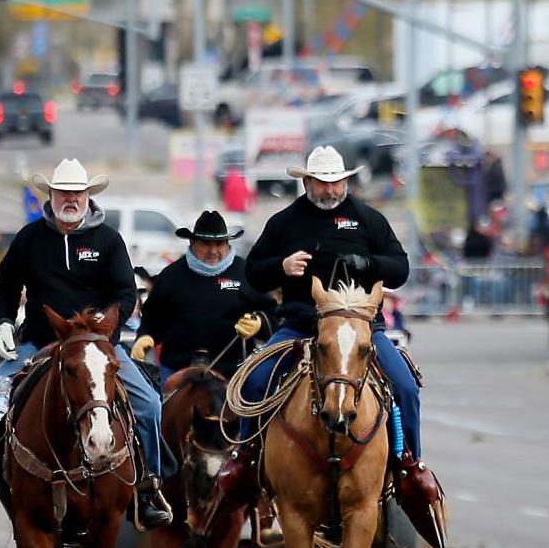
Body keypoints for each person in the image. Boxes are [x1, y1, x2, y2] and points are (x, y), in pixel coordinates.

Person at [0, 159, 171, 528]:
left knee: (149, 404)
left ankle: (147, 489)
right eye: (63, 192)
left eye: (77, 193)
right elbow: (5, 287)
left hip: (96, 344)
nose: (71, 198)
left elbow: (124, 293)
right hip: (39, 341)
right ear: (51, 195)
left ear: (87, 196)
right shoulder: (29, 239)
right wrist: (3, 323)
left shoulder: (108, 240)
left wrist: (104, 332)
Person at [229, 146, 423, 489]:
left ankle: (409, 465)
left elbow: (401, 268)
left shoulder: (368, 219)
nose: (331, 190)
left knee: (405, 387)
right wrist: (281, 267)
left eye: (337, 182)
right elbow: (253, 274)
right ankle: (246, 460)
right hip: (300, 326)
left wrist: (369, 264)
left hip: (359, 328)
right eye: (322, 183)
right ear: (307, 183)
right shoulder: (284, 222)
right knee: (255, 382)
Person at [132, 210, 274, 384]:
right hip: (178, 371)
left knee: (262, 395)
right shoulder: (171, 276)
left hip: (235, 372)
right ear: (192, 242)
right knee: (153, 405)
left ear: (228, 243)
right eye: (206, 243)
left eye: (219, 243)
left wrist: (260, 323)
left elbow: (275, 317)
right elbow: (152, 319)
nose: (213, 251)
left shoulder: (247, 273)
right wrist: (146, 336)